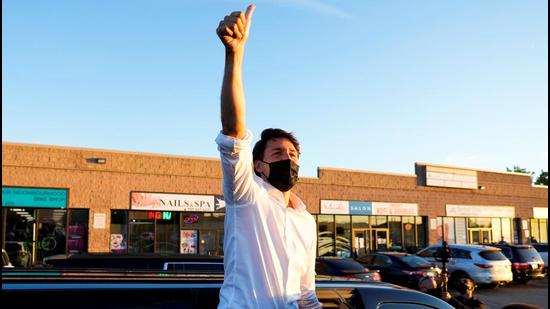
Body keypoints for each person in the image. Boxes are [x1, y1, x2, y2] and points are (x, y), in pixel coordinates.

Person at [215, 4, 321, 308]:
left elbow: (306, 294)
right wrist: (234, 55)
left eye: (293, 154)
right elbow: (233, 132)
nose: (288, 158)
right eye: (278, 153)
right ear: (259, 165)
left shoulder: (305, 221)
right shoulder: (247, 196)